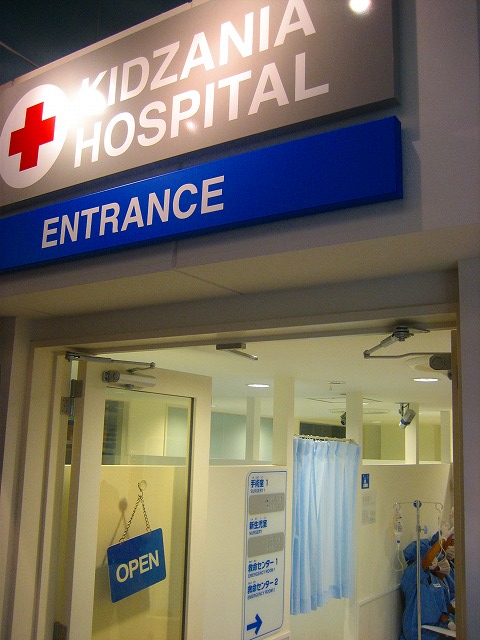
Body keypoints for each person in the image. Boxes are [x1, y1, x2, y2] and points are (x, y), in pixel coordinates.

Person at [399, 531, 455, 640]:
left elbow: (442, 612)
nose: (435, 558)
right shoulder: (411, 574)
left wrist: (450, 624)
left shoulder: (435, 581)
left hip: (435, 633)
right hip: (416, 633)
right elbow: (427, 561)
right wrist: (443, 538)